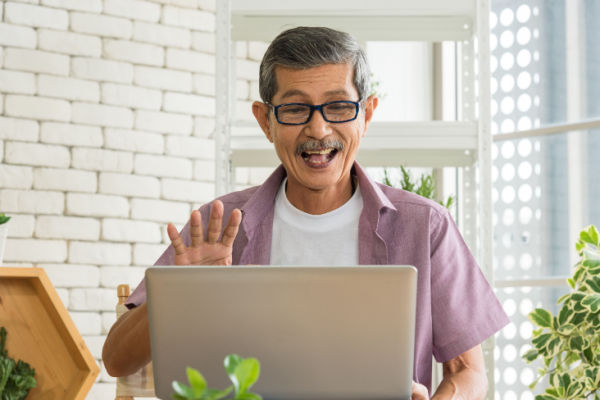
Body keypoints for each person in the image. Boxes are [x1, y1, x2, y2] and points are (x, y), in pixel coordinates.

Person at [103, 26, 509, 399]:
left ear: (366, 115)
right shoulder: (220, 224)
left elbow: (468, 371)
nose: (318, 130)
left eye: (337, 107)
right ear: (266, 122)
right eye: (296, 109)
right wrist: (180, 293)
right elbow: (118, 361)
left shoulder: (425, 225)